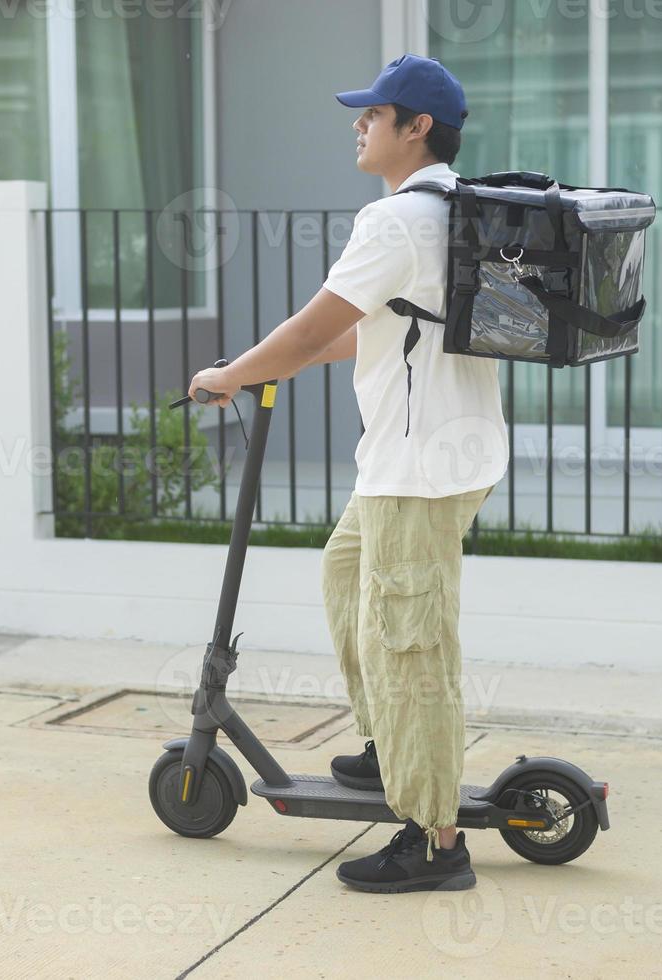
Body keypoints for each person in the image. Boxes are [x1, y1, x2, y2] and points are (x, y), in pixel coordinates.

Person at [186, 54, 509, 893]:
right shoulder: (448, 207)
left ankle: (435, 842)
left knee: (409, 648)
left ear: (417, 128)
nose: (357, 124)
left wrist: (234, 374)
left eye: (374, 113)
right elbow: (360, 334)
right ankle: (387, 747)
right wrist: (261, 370)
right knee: (346, 574)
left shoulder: (398, 220)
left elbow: (307, 328)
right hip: (429, 459)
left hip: (418, 469)